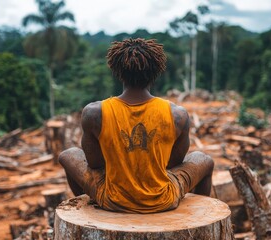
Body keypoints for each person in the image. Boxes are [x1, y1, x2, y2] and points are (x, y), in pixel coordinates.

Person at [59, 38, 214, 213]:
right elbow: (173, 163)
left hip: (113, 200)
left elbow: (94, 164)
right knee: (204, 160)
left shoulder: (95, 113)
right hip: (164, 200)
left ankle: (92, 207)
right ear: (156, 72)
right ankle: (202, 215)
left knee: (68, 155)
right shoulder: (177, 115)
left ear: (117, 71)